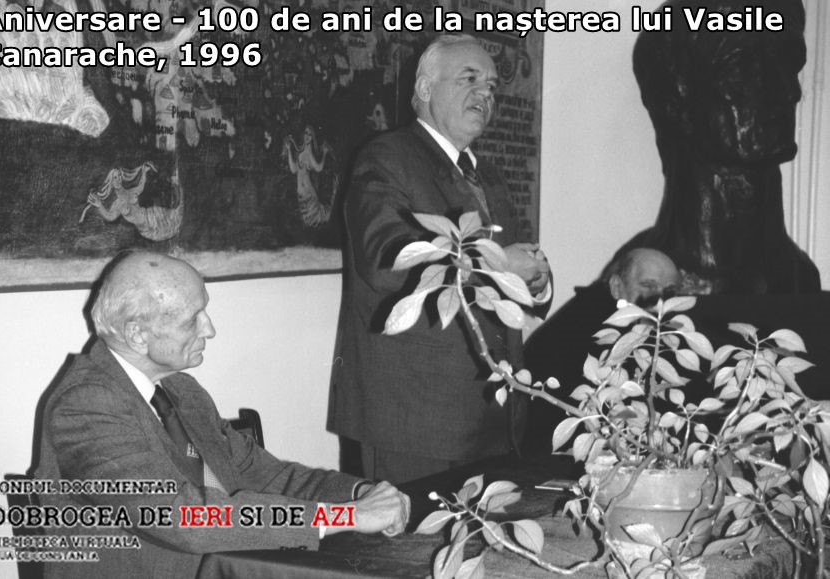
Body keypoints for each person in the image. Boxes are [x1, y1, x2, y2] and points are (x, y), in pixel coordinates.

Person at [35, 251, 410, 579]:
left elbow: (269, 476)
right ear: (137, 335)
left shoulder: (182, 391)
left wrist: (360, 493)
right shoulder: (84, 406)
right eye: (192, 320)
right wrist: (346, 517)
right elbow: (183, 517)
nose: (210, 329)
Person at [328, 34, 551, 484]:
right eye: (469, 79)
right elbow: (388, 260)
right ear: (425, 88)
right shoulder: (387, 158)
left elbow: (510, 268)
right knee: (406, 532)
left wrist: (536, 280)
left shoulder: (489, 176)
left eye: (491, 86)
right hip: (413, 417)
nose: (485, 93)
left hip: (493, 418)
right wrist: (498, 266)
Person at [625, 0, 819, 294]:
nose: (790, 91)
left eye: (788, 64)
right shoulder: (637, 284)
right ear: (675, 99)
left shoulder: (800, 279)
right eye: (741, 67)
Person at [522, 248, 679, 453]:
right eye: (648, 286)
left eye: (670, 291)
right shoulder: (586, 327)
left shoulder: (651, 326)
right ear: (616, 287)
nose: (660, 299)